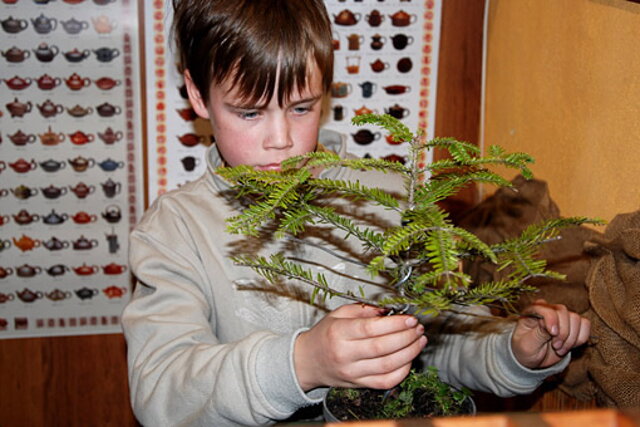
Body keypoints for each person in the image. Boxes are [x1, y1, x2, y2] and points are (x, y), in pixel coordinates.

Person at [122, 0, 591, 425]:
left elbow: (444, 335)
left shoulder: (385, 197)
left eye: (302, 107)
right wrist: (303, 362)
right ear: (199, 95)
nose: (280, 139)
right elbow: (162, 391)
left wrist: (512, 351)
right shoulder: (173, 232)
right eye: (249, 113)